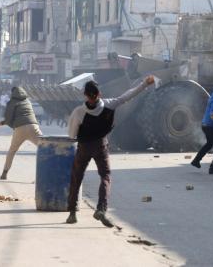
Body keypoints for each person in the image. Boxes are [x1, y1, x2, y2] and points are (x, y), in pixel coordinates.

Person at [66, 76, 155, 227]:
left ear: (85, 95)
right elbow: (128, 95)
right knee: (105, 176)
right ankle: (101, 209)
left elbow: (71, 135)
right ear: (99, 94)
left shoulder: (79, 112)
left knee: (77, 176)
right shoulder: (110, 104)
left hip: (84, 148)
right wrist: (145, 84)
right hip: (101, 146)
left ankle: (73, 213)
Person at [0, 87, 43, 180]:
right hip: (33, 126)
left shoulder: (12, 102)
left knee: (12, 151)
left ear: (13, 93)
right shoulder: (28, 101)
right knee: (44, 147)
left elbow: (8, 119)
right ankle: (46, 174)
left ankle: (4, 173)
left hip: (20, 128)